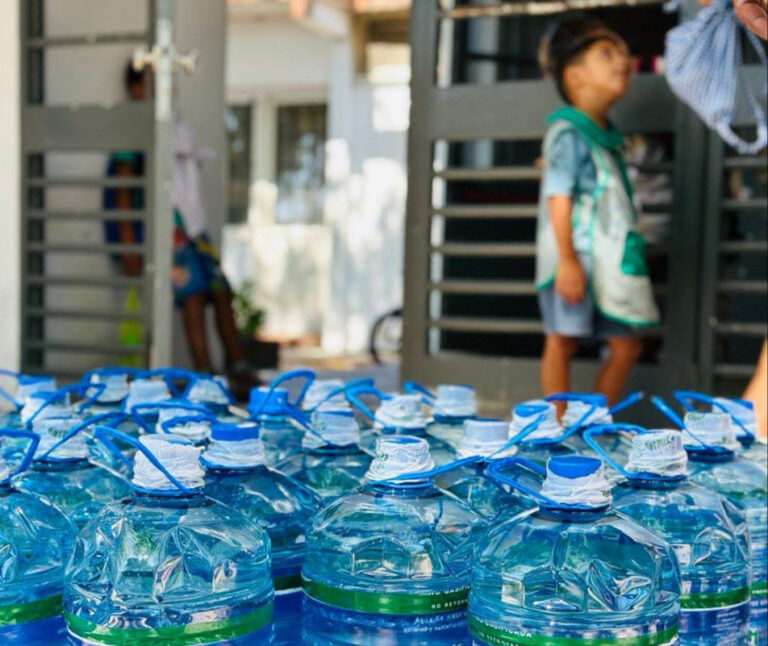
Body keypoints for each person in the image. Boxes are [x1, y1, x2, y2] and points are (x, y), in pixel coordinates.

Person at [536, 18, 660, 409]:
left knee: (626, 342)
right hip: (579, 257)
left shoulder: (605, 137)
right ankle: (555, 424)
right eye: (607, 54)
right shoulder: (569, 133)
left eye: (623, 53)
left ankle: (592, 420)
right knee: (563, 337)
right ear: (575, 76)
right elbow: (559, 196)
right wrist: (568, 261)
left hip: (607, 261)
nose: (621, 61)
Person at [111, 63, 252, 394]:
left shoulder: (175, 124)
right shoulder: (137, 127)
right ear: (137, 90)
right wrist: (129, 243)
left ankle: (238, 367)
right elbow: (121, 188)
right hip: (166, 231)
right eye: (154, 81)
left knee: (221, 291)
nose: (166, 88)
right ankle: (205, 378)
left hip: (192, 225)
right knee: (192, 296)